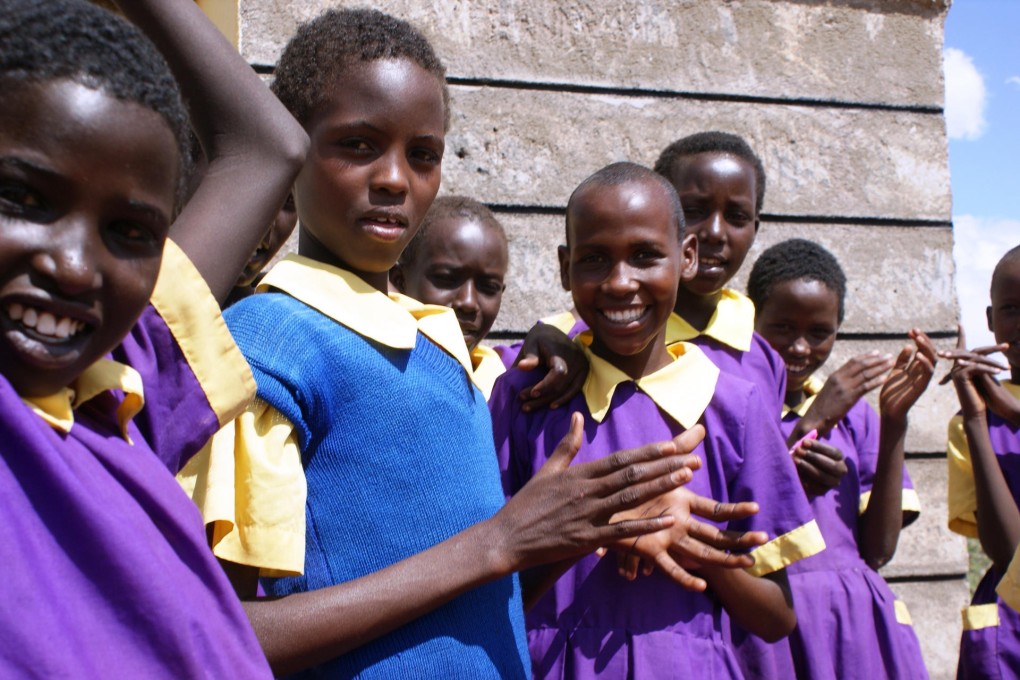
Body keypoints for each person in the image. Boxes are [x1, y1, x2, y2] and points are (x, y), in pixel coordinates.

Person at [180, 10, 767, 678]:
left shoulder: (433, 343)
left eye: (423, 154)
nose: (396, 179)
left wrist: (570, 532)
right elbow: (220, 633)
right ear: (292, 147)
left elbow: (481, 600)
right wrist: (496, 541)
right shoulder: (266, 346)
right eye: (357, 145)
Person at [0, 0, 308, 675]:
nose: (74, 267)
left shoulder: (117, 391)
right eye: (21, 198)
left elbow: (270, 148)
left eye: (131, 233)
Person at [492, 163, 825, 679]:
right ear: (564, 267)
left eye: (646, 256)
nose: (621, 283)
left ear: (687, 257)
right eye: (594, 259)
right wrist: (584, 525)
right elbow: (483, 580)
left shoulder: (735, 406)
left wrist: (687, 535)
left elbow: (776, 616)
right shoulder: (528, 395)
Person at [745, 238, 932, 679]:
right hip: (769, 616)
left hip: (851, 623)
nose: (801, 348)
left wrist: (894, 423)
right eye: (784, 328)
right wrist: (810, 425)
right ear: (751, 321)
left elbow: (880, 550)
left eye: (819, 332)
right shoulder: (737, 406)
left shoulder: (858, 420)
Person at [943, 244, 1020, 679]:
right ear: (991, 321)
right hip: (1010, 628)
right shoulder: (972, 423)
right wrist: (976, 419)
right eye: (1012, 308)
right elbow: (1006, 552)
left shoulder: (1003, 415)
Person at [390, 195, 509, 397]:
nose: (469, 302)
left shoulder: (503, 384)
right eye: (446, 279)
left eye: (489, 287)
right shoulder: (378, 369)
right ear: (399, 280)